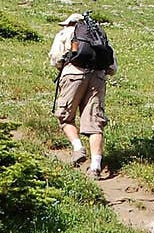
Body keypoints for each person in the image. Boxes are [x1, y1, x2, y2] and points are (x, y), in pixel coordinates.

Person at [48, 12, 116, 179]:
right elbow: (112, 67)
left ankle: (78, 148)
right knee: (95, 123)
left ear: (69, 23)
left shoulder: (65, 33)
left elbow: (55, 59)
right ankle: (95, 167)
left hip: (73, 75)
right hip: (98, 78)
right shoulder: (98, 34)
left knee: (65, 116)